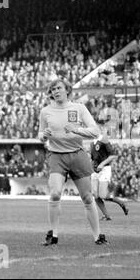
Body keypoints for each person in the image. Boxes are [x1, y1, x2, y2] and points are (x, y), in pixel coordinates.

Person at [38, 78, 107, 245]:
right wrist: (44, 136)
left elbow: (95, 131)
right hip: (56, 155)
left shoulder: (79, 108)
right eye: (53, 89)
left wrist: (76, 130)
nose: (56, 91)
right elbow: (40, 136)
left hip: (77, 154)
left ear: (67, 90)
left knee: (87, 197)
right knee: (54, 194)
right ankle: (53, 235)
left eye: (59, 88)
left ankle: (98, 236)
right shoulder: (45, 111)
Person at [90, 120, 128, 221]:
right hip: (95, 171)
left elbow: (113, 155)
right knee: (95, 195)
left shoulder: (104, 139)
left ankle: (120, 203)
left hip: (105, 169)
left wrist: (102, 164)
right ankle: (107, 216)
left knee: (103, 195)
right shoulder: (91, 142)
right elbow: (93, 158)